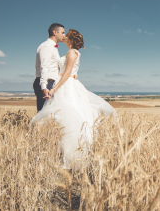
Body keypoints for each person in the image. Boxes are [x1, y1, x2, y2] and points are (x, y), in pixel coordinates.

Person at [29, 29, 117, 170]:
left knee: (69, 117)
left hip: (67, 85)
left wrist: (54, 88)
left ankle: (72, 153)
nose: (63, 36)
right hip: (69, 83)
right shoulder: (73, 52)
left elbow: (68, 73)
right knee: (68, 116)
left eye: (66, 35)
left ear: (70, 39)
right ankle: (66, 150)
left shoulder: (71, 52)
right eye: (62, 34)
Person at [33, 23, 65, 111]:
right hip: (46, 82)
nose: (64, 35)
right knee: (43, 114)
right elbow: (44, 66)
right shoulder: (47, 46)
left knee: (50, 113)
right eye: (62, 33)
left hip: (51, 83)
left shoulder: (53, 47)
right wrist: (44, 87)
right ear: (55, 32)